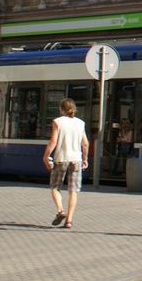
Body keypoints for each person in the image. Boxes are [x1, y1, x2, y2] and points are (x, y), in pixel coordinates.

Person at [43, 98, 90, 229]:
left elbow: (53, 142)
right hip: (76, 159)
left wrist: (46, 156)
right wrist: (85, 159)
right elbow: (85, 143)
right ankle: (69, 220)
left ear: (61, 109)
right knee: (73, 190)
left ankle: (60, 211)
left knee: (55, 187)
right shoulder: (81, 123)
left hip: (61, 159)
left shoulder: (57, 122)